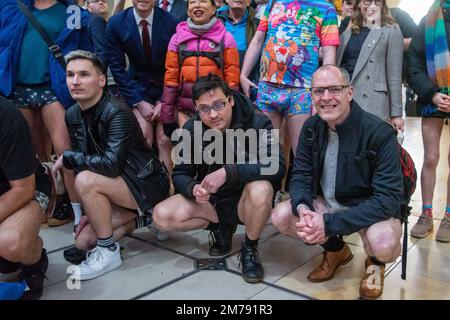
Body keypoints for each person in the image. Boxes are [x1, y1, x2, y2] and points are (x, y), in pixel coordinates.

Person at [271, 65, 404, 300]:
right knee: (282, 215)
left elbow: (388, 200)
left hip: (368, 208)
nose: (326, 98)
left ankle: (374, 265)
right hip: (330, 204)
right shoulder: (312, 128)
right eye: (318, 91)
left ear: (350, 93)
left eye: (335, 89)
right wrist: (304, 209)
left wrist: (329, 224)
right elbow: (300, 176)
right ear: (311, 95)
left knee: (384, 244)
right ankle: (336, 252)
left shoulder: (379, 133)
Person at [153, 74, 285, 283]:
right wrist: (192, 188)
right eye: (204, 108)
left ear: (230, 100)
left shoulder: (258, 121)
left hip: (246, 199)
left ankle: (250, 248)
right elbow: (180, 174)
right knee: (161, 215)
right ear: (196, 108)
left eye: (218, 105)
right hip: (213, 202)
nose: (213, 114)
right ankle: (221, 228)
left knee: (261, 188)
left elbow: (277, 165)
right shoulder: (191, 128)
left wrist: (228, 172)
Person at [53, 50, 170, 280]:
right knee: (83, 241)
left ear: (101, 81)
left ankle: (108, 252)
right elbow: (88, 161)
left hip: (146, 182)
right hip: (116, 185)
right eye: (70, 75)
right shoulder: (72, 114)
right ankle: (146, 217)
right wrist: (92, 210)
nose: (75, 81)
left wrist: (68, 157)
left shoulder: (116, 111)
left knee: (84, 179)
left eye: (84, 74)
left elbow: (109, 165)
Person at [0, 0, 95, 227]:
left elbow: (81, 46)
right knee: (31, 156)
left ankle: (77, 214)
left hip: (52, 89)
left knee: (65, 151)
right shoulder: (10, 6)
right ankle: (42, 205)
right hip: (17, 89)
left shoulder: (71, 10)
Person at [240, 0, 339, 157]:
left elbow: (329, 56)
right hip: (267, 87)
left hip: (302, 91)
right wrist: (243, 75)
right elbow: (258, 41)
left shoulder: (326, 9)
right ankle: (268, 183)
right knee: (263, 152)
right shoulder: (273, 3)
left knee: (302, 152)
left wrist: (322, 92)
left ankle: (298, 182)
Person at [106, 0, 178, 172]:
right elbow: (117, 67)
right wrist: (138, 102)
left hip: (165, 86)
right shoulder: (116, 23)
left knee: (164, 138)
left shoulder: (171, 21)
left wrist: (164, 100)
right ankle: (147, 189)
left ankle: (167, 188)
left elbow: (177, 65)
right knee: (143, 136)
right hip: (136, 87)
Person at [160, 0, 240, 137]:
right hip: (185, 111)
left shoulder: (226, 39)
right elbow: (170, 80)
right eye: (192, 2)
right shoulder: (176, 39)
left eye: (203, 1)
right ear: (187, 10)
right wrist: (167, 117)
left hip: (215, 112)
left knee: (215, 154)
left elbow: (232, 83)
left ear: (214, 9)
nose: (197, 5)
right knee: (189, 152)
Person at [0, 96, 52, 300]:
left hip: (26, 190)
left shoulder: (6, 116)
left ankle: (35, 260)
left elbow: (23, 189)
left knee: (10, 243)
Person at [407, 0, 450, 242]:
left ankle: (449, 215)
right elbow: (413, 62)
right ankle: (426, 213)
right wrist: (431, 93)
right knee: (431, 158)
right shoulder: (429, 18)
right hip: (433, 96)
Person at [336, 0, 404, 131]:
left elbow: (395, 75)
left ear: (382, 5)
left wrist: (396, 114)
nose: (372, 5)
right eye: (367, 1)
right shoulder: (348, 31)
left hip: (373, 101)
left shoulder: (391, 31)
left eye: (377, 1)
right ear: (360, 4)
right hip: (344, 99)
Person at [217, 0, 260, 84]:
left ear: (249, 1)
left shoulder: (257, 25)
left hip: (247, 82)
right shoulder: (214, 21)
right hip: (217, 83)